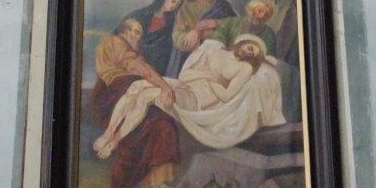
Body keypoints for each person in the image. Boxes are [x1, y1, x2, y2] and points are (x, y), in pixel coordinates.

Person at [93, 35, 285, 158]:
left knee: (146, 96)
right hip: (184, 85)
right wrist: (212, 76)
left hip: (197, 100)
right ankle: (108, 133)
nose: (249, 51)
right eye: (250, 46)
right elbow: (185, 75)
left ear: (255, 58)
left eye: (253, 53)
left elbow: (227, 96)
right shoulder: (215, 51)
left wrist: (209, 80)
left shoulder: (245, 68)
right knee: (136, 86)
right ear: (243, 42)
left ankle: (116, 141)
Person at [88, 17, 181, 188]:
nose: (137, 37)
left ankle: (152, 184)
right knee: (151, 129)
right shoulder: (117, 42)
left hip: (119, 93)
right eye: (135, 31)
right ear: (124, 31)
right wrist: (165, 87)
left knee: (161, 124)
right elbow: (141, 69)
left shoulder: (118, 45)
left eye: (140, 33)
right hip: (116, 93)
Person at [167, 0, 235, 76]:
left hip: (220, 46)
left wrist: (215, 23)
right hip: (195, 50)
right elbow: (177, 33)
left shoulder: (221, 3)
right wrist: (194, 34)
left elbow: (236, 23)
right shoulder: (186, 8)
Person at [127, 0, 184, 75]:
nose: (174, 5)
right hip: (134, 56)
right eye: (173, 1)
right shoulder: (140, 14)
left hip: (157, 62)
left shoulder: (171, 20)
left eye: (177, 4)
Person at [211, 0, 277, 56]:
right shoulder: (231, 22)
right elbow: (216, 40)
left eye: (265, 15)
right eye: (253, 15)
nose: (260, 16)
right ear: (249, 11)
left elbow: (268, 57)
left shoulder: (269, 35)